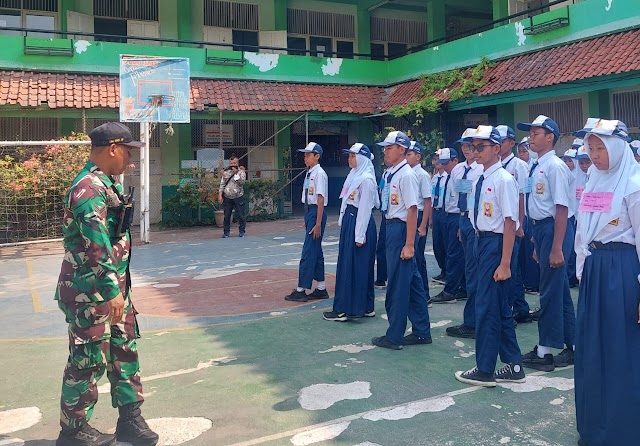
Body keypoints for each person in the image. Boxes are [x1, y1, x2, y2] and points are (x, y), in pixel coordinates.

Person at [55, 122, 158, 446]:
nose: (130, 159)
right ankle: (72, 431)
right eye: (128, 152)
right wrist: (113, 292)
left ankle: (130, 418)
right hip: (91, 293)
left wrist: (119, 291)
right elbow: (96, 246)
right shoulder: (87, 188)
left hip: (113, 290)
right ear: (113, 149)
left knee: (123, 350)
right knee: (88, 359)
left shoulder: (105, 183)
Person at [572, 118, 640, 446]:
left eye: (601, 148)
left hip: (622, 271)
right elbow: (584, 230)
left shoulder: (634, 182)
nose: (595, 154)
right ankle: (594, 427)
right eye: (591, 147)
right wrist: (582, 271)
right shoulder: (593, 179)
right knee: (592, 350)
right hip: (596, 270)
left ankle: (621, 431)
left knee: (619, 349)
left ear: (617, 147)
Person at [454, 125, 524, 387]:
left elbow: (509, 222)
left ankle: (485, 368)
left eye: (481, 147)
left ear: (497, 149)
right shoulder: (480, 177)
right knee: (497, 306)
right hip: (481, 241)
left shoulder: (503, 179)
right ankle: (514, 364)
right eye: (473, 147)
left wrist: (505, 263)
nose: (476, 152)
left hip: (496, 245)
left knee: (486, 307)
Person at [517, 115, 576, 372]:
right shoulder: (537, 165)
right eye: (530, 133)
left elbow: (561, 209)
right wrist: (535, 239)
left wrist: (555, 247)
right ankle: (573, 346)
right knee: (559, 289)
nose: (531, 137)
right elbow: (538, 205)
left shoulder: (555, 166)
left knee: (549, 291)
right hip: (542, 230)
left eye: (536, 133)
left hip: (555, 230)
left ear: (550, 137)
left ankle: (544, 351)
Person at [372, 131, 432, 350]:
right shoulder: (392, 173)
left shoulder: (405, 175)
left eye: (389, 148)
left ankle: (394, 335)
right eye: (385, 148)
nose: (385, 152)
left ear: (401, 150)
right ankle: (421, 331)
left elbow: (412, 209)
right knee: (414, 282)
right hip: (393, 226)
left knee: (397, 284)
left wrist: (409, 244)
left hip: (401, 229)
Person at [323, 143, 379, 321]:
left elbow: (365, 209)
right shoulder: (353, 175)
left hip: (358, 223)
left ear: (361, 158)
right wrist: (342, 219)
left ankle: (347, 309)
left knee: (354, 267)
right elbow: (346, 200)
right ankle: (365, 305)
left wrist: (359, 234)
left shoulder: (366, 180)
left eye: (353, 156)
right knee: (354, 265)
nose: (349, 158)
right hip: (351, 220)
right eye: (349, 155)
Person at [446, 128, 483, 339]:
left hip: (477, 219)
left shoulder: (481, 168)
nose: (467, 148)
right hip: (463, 218)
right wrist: (462, 224)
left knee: (478, 272)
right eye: (464, 144)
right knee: (470, 271)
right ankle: (472, 319)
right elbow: (457, 196)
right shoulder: (458, 170)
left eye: (471, 144)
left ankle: (476, 321)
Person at [285, 142, 329, 302]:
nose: (305, 158)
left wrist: (317, 223)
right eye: (304, 155)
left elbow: (320, 198)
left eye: (308, 155)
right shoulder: (310, 172)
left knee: (308, 252)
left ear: (317, 156)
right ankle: (321, 287)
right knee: (316, 251)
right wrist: (308, 218)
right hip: (310, 212)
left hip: (315, 212)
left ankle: (301, 289)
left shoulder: (319, 174)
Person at [496, 125, 532, 324]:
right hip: (500, 223)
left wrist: (519, 224)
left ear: (511, 142)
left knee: (513, 266)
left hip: (514, 222)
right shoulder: (496, 164)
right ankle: (518, 306)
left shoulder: (518, 165)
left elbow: (522, 196)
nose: (499, 145)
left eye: (502, 141)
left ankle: (517, 307)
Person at [430, 147, 466, 303]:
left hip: (456, 217)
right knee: (449, 251)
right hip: (445, 216)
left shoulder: (460, 176)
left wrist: (461, 223)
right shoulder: (448, 176)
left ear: (455, 161)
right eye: (442, 163)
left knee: (454, 254)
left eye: (446, 163)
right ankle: (461, 287)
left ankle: (451, 290)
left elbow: (463, 202)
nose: (444, 167)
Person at [405, 140, 432, 294]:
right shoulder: (406, 173)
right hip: (410, 217)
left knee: (418, 257)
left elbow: (427, 201)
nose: (406, 157)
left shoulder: (422, 175)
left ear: (418, 157)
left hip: (419, 216)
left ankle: (424, 292)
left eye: (409, 154)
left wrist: (423, 225)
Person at [517, 137, 540, 295]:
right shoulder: (527, 167)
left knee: (532, 251)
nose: (522, 155)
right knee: (525, 251)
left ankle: (533, 282)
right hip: (525, 212)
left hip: (532, 215)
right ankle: (527, 280)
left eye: (525, 151)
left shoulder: (531, 167)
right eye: (520, 152)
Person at [218, 155, 247, 238]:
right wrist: (220, 195)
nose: (233, 164)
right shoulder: (226, 172)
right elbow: (222, 184)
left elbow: (242, 182)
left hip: (238, 196)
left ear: (237, 163)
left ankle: (242, 231)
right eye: (231, 163)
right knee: (227, 215)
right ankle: (226, 232)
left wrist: (236, 174)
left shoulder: (241, 172)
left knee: (241, 215)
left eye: (234, 163)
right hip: (227, 197)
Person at [430, 152, 448, 284]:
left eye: (439, 158)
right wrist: (431, 217)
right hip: (435, 212)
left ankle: (448, 272)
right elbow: (430, 199)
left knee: (446, 244)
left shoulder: (450, 176)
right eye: (435, 158)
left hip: (445, 212)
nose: (437, 161)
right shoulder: (435, 178)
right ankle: (443, 270)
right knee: (437, 244)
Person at [375, 163, 390, 288]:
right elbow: (381, 189)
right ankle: (381, 277)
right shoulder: (386, 174)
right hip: (385, 213)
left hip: (396, 216)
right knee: (381, 247)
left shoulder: (403, 174)